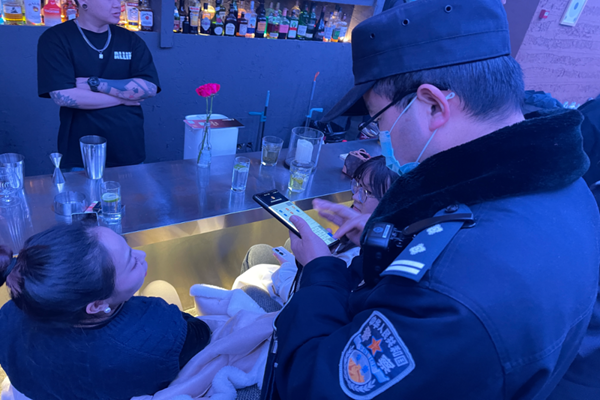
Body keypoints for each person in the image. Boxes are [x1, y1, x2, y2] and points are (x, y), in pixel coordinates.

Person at [270, 1, 600, 399]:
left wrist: (319, 270)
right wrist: (395, 240)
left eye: (377, 120)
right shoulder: (568, 188)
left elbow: (316, 387)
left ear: (432, 106)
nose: (380, 137)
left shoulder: (452, 293)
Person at [0, 224, 210, 399]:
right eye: (130, 262)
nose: (142, 254)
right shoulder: (155, 335)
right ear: (97, 306)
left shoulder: (6, 318)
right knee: (161, 287)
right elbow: (202, 333)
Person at [237, 156, 398, 305]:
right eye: (358, 185)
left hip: (303, 302)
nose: (356, 196)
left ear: (394, 204)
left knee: (255, 258)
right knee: (284, 245)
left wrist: (300, 267)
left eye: (368, 192)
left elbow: (314, 300)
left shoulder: (365, 265)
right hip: (314, 280)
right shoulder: (378, 240)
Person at [37, 0, 160, 170]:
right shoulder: (56, 38)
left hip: (129, 149)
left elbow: (149, 87)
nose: (118, 5)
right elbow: (63, 96)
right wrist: (123, 99)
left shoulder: (131, 40)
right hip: (80, 153)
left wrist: (95, 84)